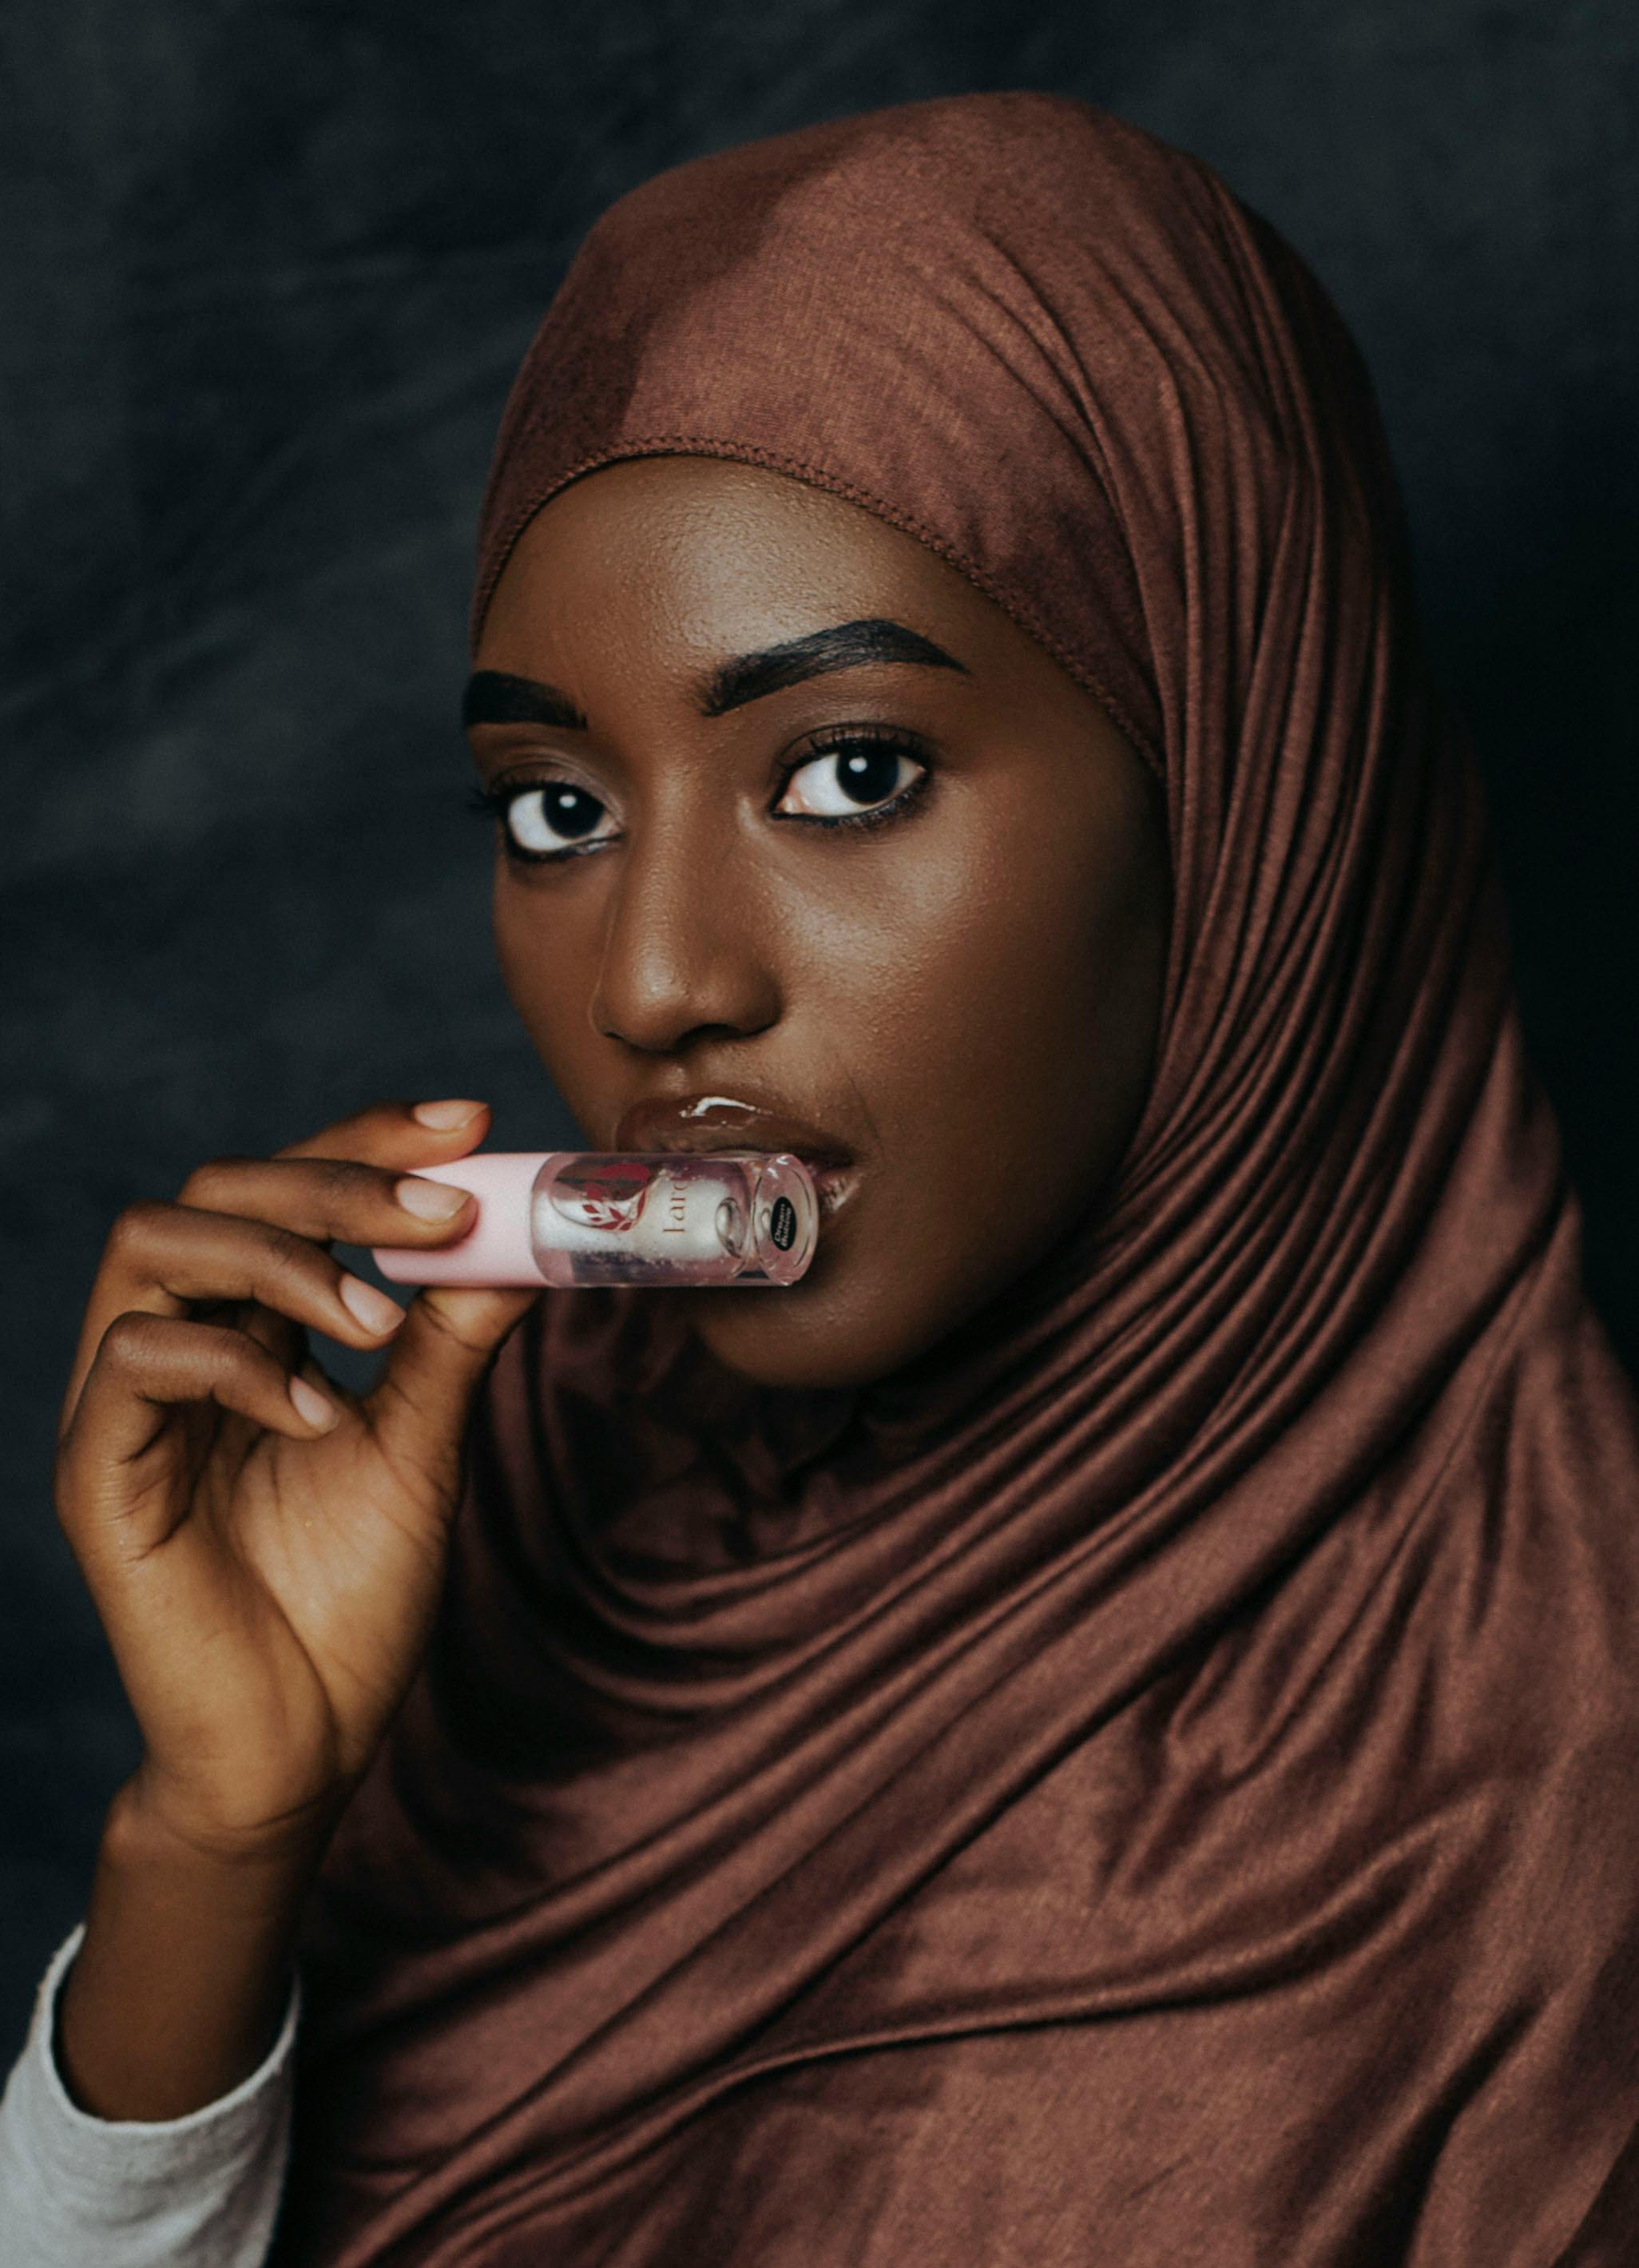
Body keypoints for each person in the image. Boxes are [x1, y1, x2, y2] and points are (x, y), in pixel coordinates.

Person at [4, 85, 1639, 2267]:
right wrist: (216, 1842)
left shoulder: (1561, 1809)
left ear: (1251, 790)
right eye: (557, 810)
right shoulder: (508, 1519)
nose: (656, 982)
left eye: (850, 771)